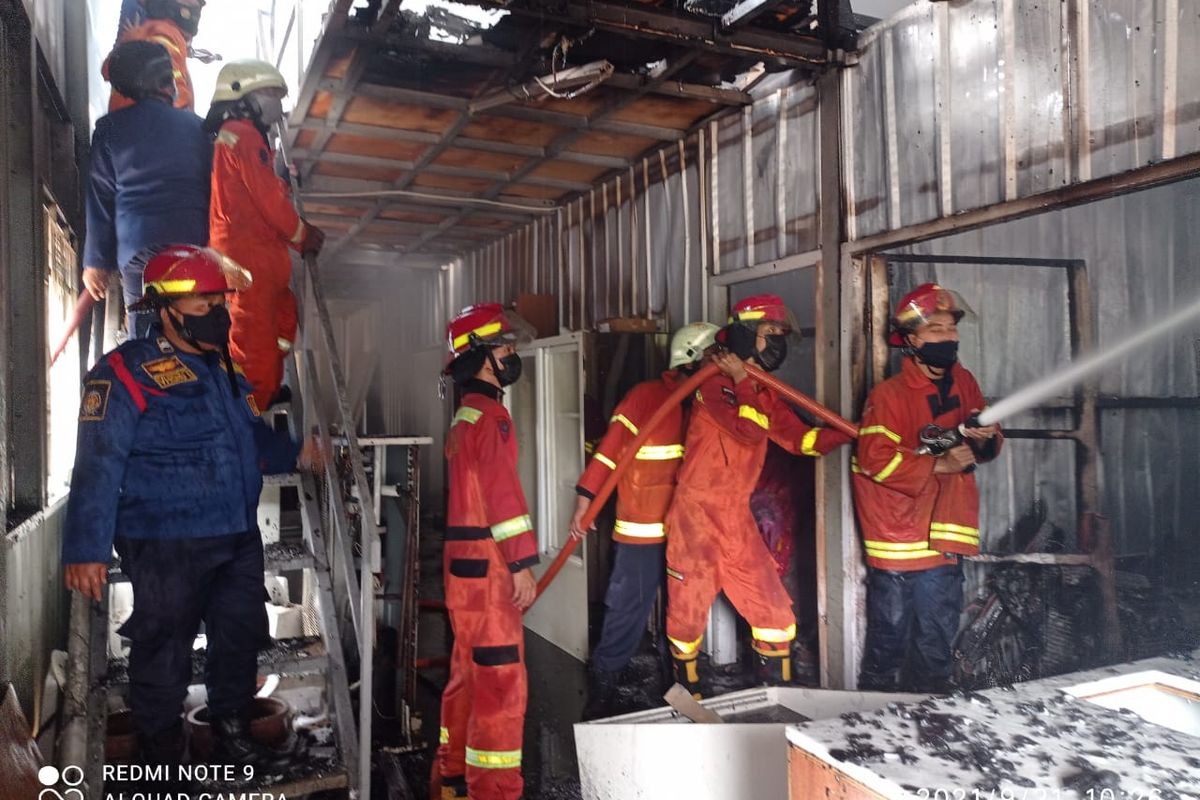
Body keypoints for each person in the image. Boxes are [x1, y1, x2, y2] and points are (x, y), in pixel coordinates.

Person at [62, 245, 319, 770]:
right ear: (166, 309)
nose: (219, 314)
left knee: (239, 639)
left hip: (235, 536)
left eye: (220, 302)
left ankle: (231, 736)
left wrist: (296, 452)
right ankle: (163, 758)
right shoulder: (124, 371)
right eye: (206, 305)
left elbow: (249, 441)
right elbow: (97, 462)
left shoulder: (224, 372)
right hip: (163, 542)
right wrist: (85, 547)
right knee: (163, 650)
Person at [664, 295, 853, 697]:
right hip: (695, 517)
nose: (778, 344)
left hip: (734, 519)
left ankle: (775, 701)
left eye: (781, 335)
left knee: (775, 616)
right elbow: (746, 430)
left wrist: (855, 432)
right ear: (748, 336)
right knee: (687, 617)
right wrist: (744, 382)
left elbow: (801, 439)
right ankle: (687, 702)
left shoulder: (762, 392)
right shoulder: (714, 383)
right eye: (770, 334)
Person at [853, 283, 1002, 693]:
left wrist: (986, 437)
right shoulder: (888, 396)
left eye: (951, 329)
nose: (948, 338)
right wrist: (940, 463)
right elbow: (873, 459)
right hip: (899, 541)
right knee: (888, 645)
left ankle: (930, 730)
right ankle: (870, 730)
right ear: (912, 339)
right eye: (936, 330)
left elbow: (987, 440)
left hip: (945, 536)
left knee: (935, 645)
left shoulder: (964, 381)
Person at [571, 322, 719, 718]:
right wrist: (585, 501)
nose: (720, 363)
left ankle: (680, 690)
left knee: (684, 613)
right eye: (712, 356)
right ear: (692, 358)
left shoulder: (712, 404)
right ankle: (602, 691)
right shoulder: (647, 398)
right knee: (626, 610)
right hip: (644, 533)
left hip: (690, 534)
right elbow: (608, 454)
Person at [437, 304, 539, 800]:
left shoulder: (464, 415)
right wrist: (521, 563)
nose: (512, 354)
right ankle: (493, 791)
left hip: (463, 574)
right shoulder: (492, 415)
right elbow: (502, 497)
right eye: (505, 347)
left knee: (466, 677)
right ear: (481, 355)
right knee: (500, 684)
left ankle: (453, 778)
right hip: (490, 573)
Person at [206, 60, 325, 410]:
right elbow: (268, 202)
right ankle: (251, 412)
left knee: (282, 320)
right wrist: (303, 235)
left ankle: (268, 389)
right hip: (247, 262)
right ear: (246, 98)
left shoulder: (249, 139)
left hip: (259, 260)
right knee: (253, 339)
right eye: (272, 94)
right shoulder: (242, 134)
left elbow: (262, 195)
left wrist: (283, 184)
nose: (279, 104)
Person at [82, 40, 212, 339]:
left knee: (145, 341)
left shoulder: (110, 128)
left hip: (139, 251)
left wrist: (95, 263)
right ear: (166, 84)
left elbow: (100, 198)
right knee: (197, 337)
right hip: (192, 245)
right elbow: (215, 191)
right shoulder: (200, 129)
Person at [107, 0, 206, 112]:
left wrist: (126, 45)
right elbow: (174, 90)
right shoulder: (166, 34)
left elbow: (107, 71)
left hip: (123, 118)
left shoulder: (144, 32)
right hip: (148, 121)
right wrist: (185, 120)